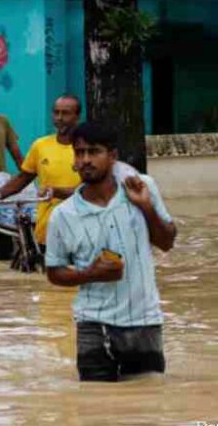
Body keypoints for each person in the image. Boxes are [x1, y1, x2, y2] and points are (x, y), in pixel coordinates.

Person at [45, 121, 177, 382]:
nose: (85, 160)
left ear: (113, 156)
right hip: (92, 323)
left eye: (94, 152)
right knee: (96, 407)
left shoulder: (142, 188)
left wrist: (145, 207)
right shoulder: (63, 215)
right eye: (79, 152)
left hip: (144, 320)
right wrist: (89, 274)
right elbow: (54, 273)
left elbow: (167, 242)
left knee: (146, 404)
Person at [0, 94, 83, 248]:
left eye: (66, 113)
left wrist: (56, 192)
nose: (59, 118)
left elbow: (89, 192)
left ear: (77, 117)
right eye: (56, 112)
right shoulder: (40, 146)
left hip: (80, 232)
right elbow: (23, 178)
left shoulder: (87, 150)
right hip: (46, 232)